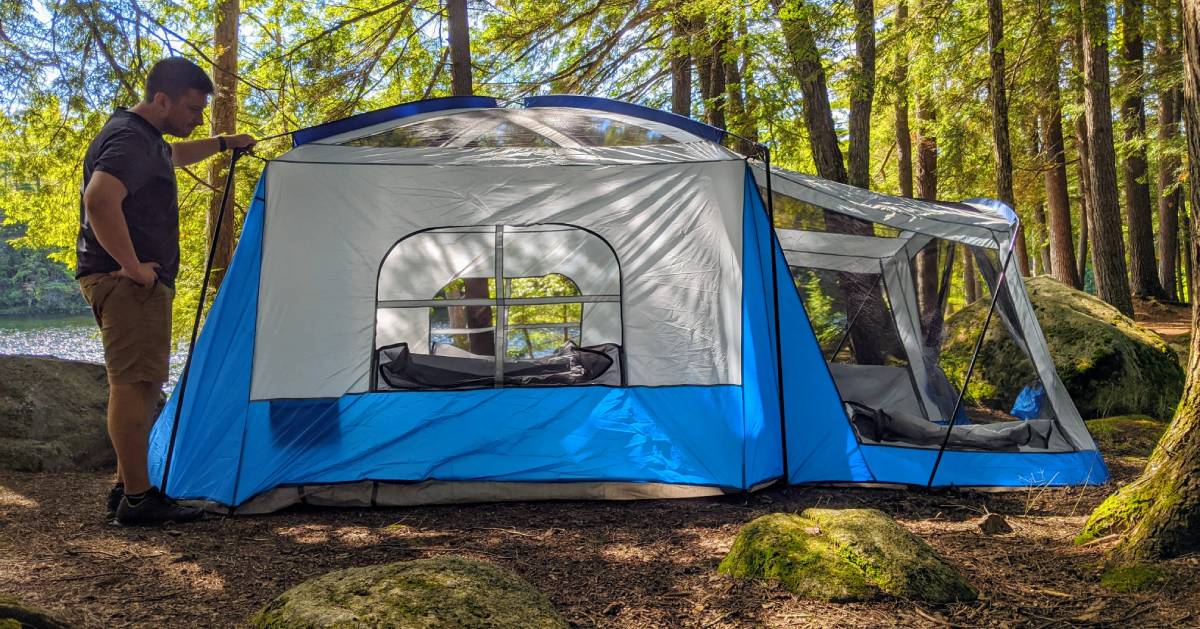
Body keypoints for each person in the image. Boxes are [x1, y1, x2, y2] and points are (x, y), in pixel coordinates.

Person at [77, 57, 255, 525]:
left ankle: (125, 488)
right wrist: (132, 267)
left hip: (129, 283)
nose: (196, 118)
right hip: (128, 285)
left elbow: (174, 156)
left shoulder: (145, 139)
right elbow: (99, 199)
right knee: (134, 386)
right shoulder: (132, 139)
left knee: (142, 383)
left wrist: (221, 143)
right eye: (193, 110)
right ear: (162, 100)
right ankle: (139, 498)